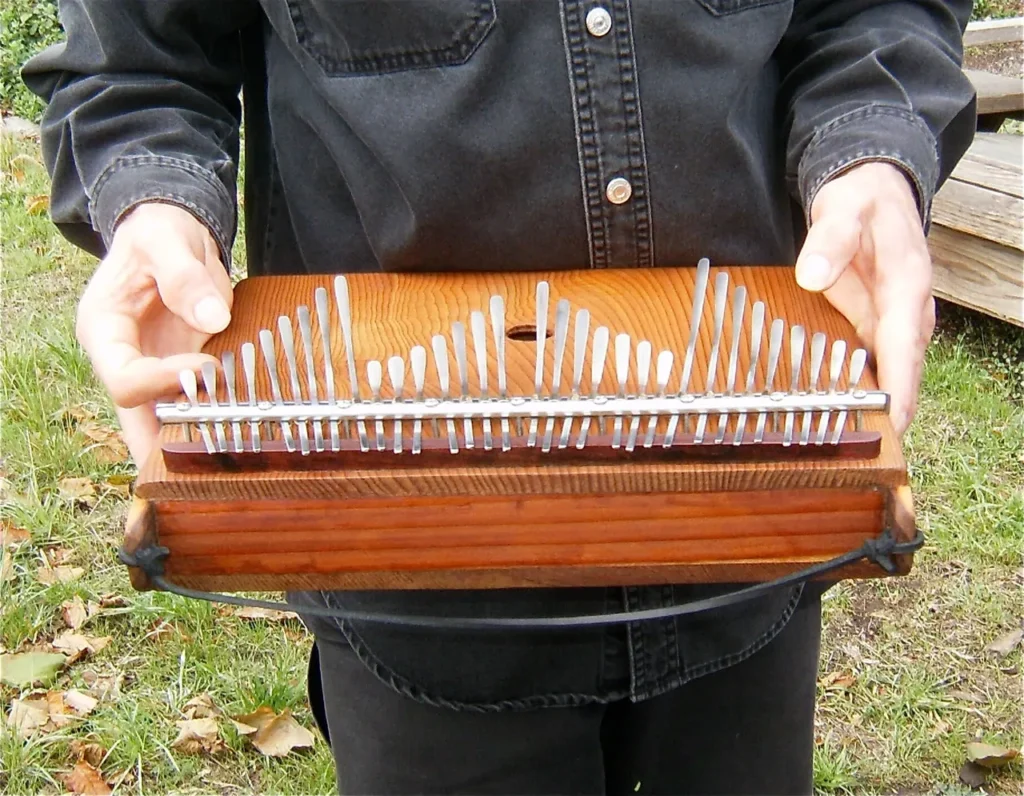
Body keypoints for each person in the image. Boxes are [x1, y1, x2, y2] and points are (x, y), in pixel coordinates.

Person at [24, 1, 975, 793]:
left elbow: (874, 8)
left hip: (758, 496)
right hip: (403, 568)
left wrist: (870, 151)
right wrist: (153, 198)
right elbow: (138, 65)